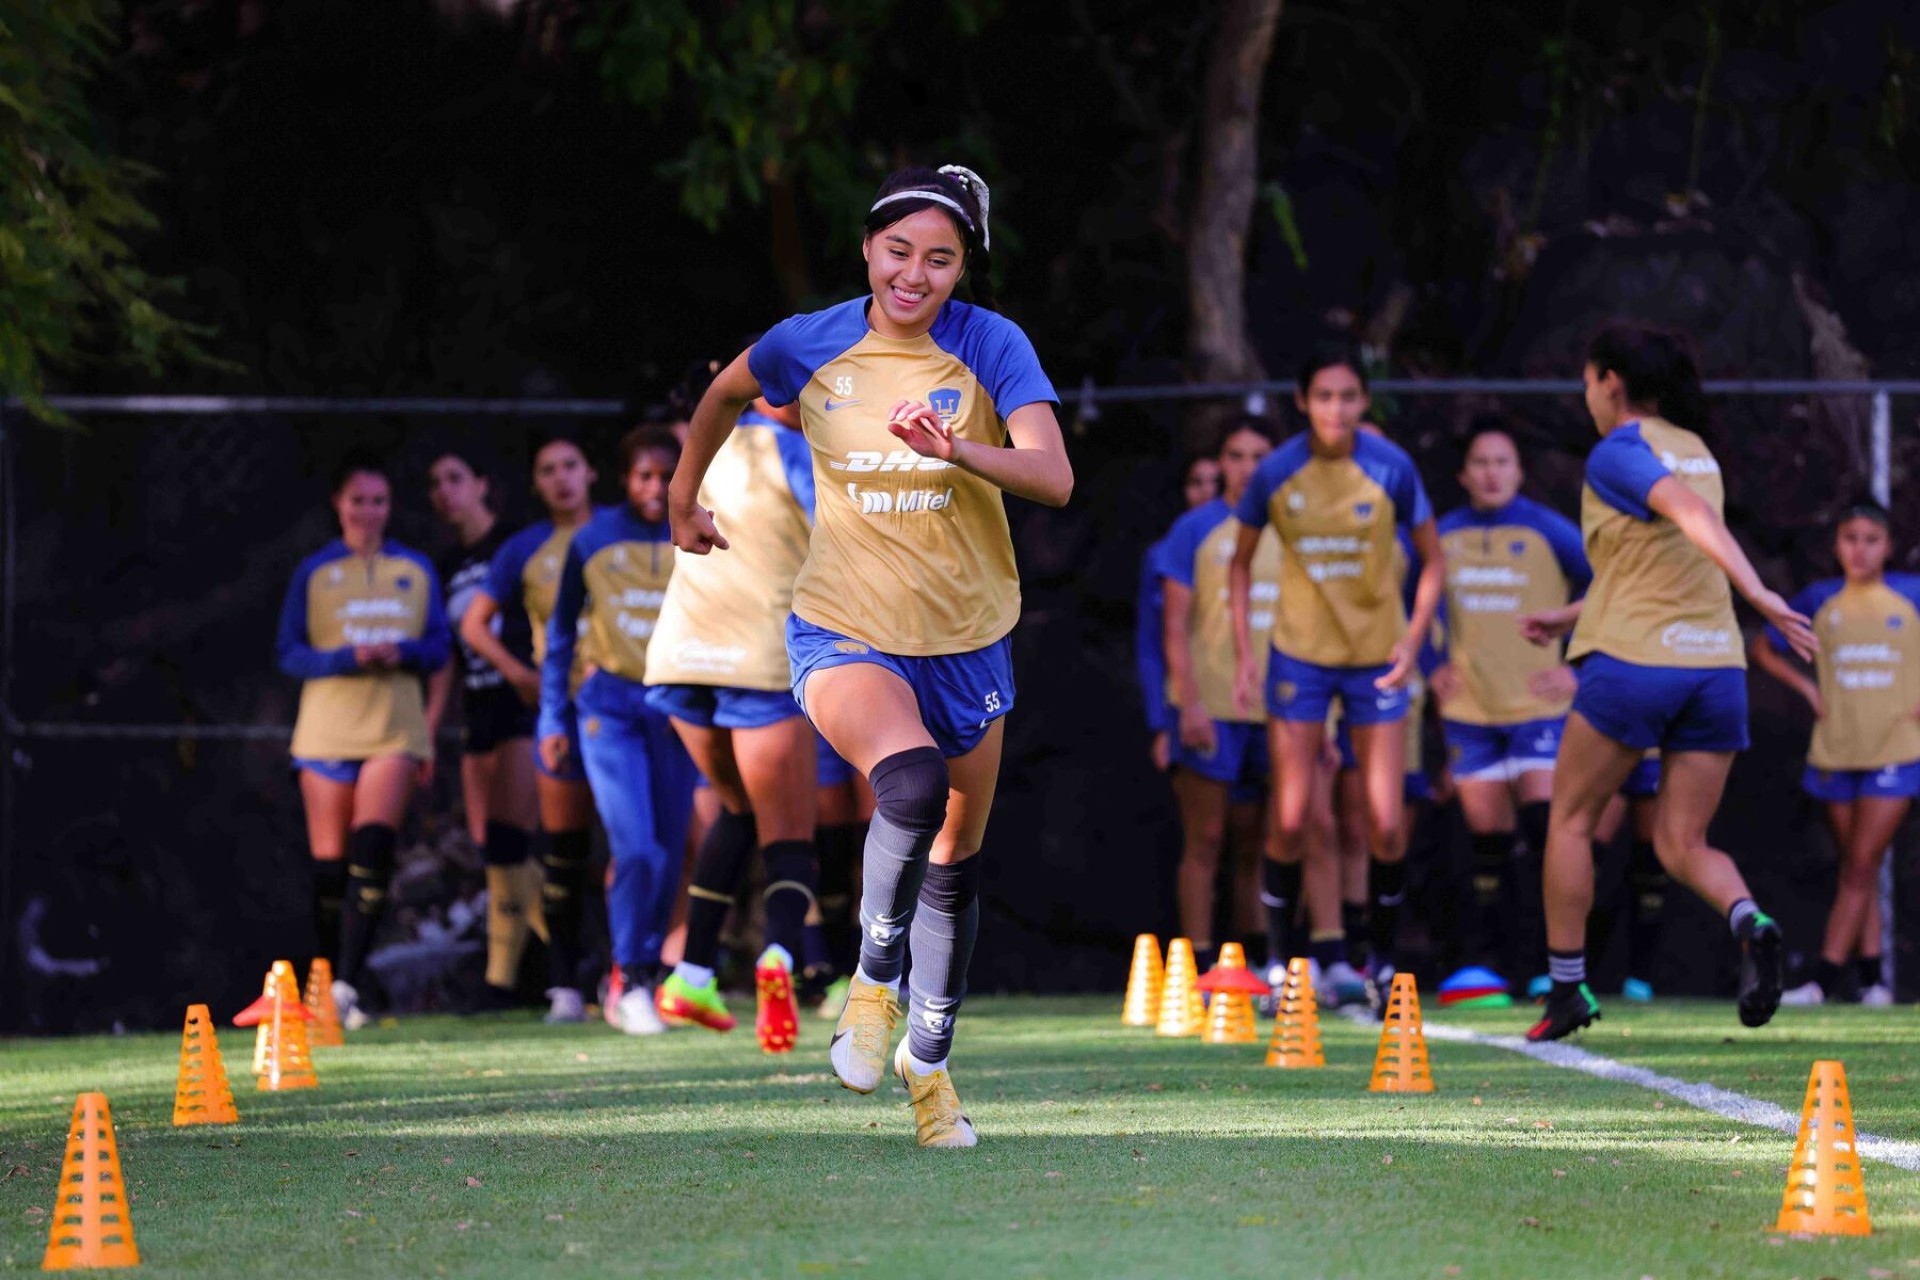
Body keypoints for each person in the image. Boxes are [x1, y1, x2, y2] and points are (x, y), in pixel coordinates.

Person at [670, 164, 1071, 1147]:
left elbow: (1053, 477)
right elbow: (724, 391)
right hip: (843, 625)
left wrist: (958, 450)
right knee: (910, 783)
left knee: (954, 865)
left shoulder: (992, 344)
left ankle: (927, 1067)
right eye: (899, 251)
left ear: (962, 268)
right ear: (866, 247)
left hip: (969, 639)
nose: (914, 274)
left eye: (940, 258)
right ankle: (869, 981)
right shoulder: (809, 340)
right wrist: (682, 498)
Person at [1522, 324, 1816, 1042]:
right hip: (1714, 670)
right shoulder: (1697, 450)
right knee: (1682, 841)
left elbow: (1687, 516)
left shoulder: (1619, 449)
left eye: (1588, 381)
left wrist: (1759, 593)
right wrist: (1568, 613)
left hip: (1635, 665)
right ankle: (1751, 921)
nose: (1586, 395)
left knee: (1571, 821)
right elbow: (1655, 562)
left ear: (1611, 382)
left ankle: (1566, 991)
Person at [1229, 352, 1445, 1011]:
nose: (1336, 409)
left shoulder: (1391, 467)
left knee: (1386, 823)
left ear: (1364, 401)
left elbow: (1434, 560)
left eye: (1349, 396)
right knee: (1292, 817)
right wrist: (1244, 655)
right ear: (1302, 400)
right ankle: (1276, 967)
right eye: (1323, 395)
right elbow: (1238, 565)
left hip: (1378, 660)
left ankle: (1380, 964)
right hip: (1299, 660)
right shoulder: (1276, 471)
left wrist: (1413, 640)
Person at [649, 391, 833, 1052]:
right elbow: (849, 540)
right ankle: (779, 957)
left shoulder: (700, 445)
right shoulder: (802, 452)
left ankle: (692, 973)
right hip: (758, 658)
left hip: (679, 658)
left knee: (738, 809)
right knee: (791, 832)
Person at [276, 450, 450, 1028]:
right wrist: (348, 656)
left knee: (372, 851)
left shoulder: (415, 569)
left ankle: (347, 987)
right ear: (338, 504)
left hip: (393, 731)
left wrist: (402, 651)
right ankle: (323, 986)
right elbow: (289, 653)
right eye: (358, 500)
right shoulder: (314, 571)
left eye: (378, 501)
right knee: (330, 869)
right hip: (325, 734)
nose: (368, 511)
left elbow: (440, 647)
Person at [538, 427, 696, 1035]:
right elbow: (559, 635)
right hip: (610, 710)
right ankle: (630, 977)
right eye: (644, 475)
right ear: (625, 479)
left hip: (678, 710)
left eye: (666, 475)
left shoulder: (699, 532)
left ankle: (641, 973)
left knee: (671, 852)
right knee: (636, 849)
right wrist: (553, 716)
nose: (656, 487)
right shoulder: (592, 538)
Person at [1429, 426, 1590, 993]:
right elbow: (1406, 601)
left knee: (1547, 830)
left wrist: (1578, 667)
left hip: (1539, 707)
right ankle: (1487, 968)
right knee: (1487, 844)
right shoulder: (1442, 535)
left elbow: (1610, 588)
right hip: (1470, 709)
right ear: (1463, 474)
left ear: (1520, 471)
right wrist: (1430, 662)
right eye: (1480, 462)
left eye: (1503, 461)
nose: (1492, 472)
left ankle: (1553, 967)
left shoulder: (1550, 530)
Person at [1752, 499, 1917, 1006]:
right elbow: (1764, 646)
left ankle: (1822, 980)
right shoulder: (1820, 599)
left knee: (1861, 865)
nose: (1860, 550)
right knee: (1856, 865)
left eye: (1871, 540)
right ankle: (1872, 981)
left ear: (1888, 546)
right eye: (1850, 538)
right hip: (1836, 750)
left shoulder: (1910, 595)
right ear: (1837, 544)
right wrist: (1807, 689)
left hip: (1896, 750)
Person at [465, 435, 600, 1023]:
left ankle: (650, 974)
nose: (561, 478)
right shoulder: (523, 548)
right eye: (548, 470)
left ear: (590, 472)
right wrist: (520, 673)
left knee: (642, 846)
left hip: (633, 707)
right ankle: (565, 985)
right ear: (535, 484)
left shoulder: (623, 531)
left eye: (570, 465)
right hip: (558, 711)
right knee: (562, 847)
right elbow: (474, 625)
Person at [1156, 420, 1281, 977]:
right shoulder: (1194, 529)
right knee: (1205, 839)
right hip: (1211, 709)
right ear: (1221, 462)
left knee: (1263, 842)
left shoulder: (1293, 526)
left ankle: (1261, 961)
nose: (1248, 467)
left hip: (1280, 710)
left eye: (1259, 455)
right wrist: (1188, 704)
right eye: (1236, 455)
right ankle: (1199, 967)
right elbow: (1174, 627)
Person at [425, 447, 544, 1009]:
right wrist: (429, 728)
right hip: (479, 710)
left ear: (481, 484)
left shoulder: (515, 544)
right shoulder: (446, 565)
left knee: (509, 837)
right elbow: (449, 656)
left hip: (523, 701)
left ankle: (503, 980)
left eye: (455, 478)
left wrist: (531, 674)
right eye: (435, 483)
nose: (444, 491)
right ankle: (559, 962)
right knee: (492, 848)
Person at [1138, 455, 1223, 777]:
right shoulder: (1161, 555)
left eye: (1215, 482)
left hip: (1250, 703)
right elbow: (1150, 642)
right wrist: (1160, 724)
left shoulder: (1261, 542)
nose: (1206, 491)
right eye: (1196, 482)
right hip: (1186, 704)